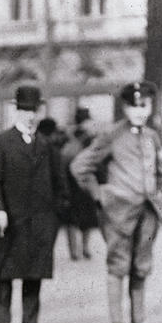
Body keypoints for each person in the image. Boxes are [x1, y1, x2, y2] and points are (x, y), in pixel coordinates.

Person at [71, 81, 162, 323]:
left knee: (141, 266)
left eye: (144, 106)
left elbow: (160, 173)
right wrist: (99, 194)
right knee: (118, 266)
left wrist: (159, 195)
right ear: (126, 107)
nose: (139, 111)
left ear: (150, 107)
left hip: (148, 214)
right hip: (119, 214)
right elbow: (80, 166)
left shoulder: (152, 136)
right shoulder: (111, 134)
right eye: (134, 106)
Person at [0, 85, 68, 323]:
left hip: (40, 222)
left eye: (34, 110)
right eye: (25, 110)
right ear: (16, 111)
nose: (30, 116)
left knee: (34, 274)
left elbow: (59, 181)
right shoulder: (0, 143)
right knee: (5, 275)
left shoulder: (47, 145)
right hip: (8, 220)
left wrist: (56, 215)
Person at [60, 107, 99, 260]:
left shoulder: (68, 135)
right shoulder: (90, 136)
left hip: (70, 180)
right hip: (85, 179)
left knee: (72, 218)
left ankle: (74, 250)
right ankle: (85, 248)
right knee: (86, 217)